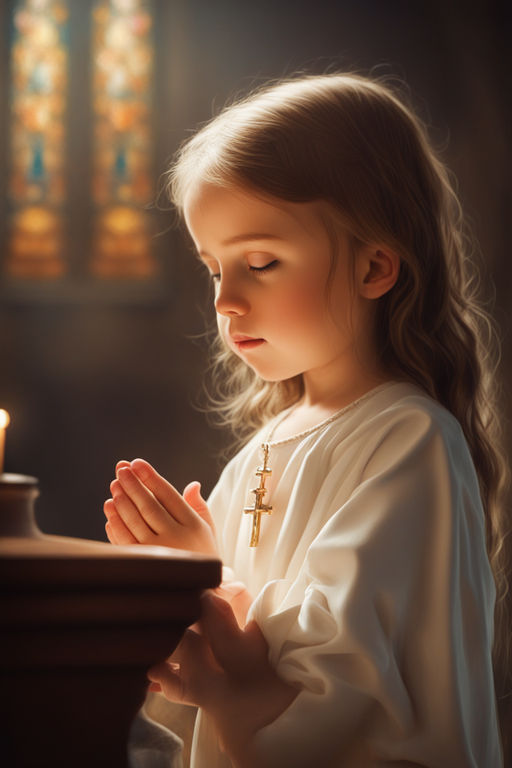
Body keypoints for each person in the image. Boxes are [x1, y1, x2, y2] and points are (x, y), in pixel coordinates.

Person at [103, 73, 509, 767]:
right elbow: (198, 680)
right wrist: (162, 584)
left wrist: (205, 581)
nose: (226, 300)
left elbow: (343, 685)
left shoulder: (409, 440)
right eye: (213, 269)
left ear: (375, 267)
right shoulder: (259, 451)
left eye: (260, 262)